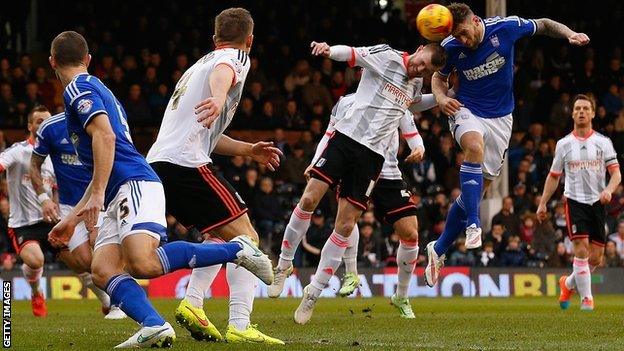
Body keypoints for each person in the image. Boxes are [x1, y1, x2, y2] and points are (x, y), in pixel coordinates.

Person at [47, 30, 273, 348]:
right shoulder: (95, 87)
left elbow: (106, 139)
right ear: (88, 59)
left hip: (134, 183)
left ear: (52, 62)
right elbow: (105, 152)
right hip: (119, 189)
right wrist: (76, 216)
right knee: (102, 270)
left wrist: (96, 194)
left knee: (143, 262)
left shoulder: (77, 89)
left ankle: (237, 250)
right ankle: (154, 325)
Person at [268, 39, 446, 325]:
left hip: (372, 159)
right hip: (346, 140)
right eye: (421, 61)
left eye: (425, 70)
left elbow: (413, 107)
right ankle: (284, 263)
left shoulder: (413, 85)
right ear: (420, 48)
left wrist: (442, 96)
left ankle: (313, 292)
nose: (419, 68)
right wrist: (329, 51)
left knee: (346, 225)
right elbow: (352, 54)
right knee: (309, 199)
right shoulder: (386, 56)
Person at [426, 2, 591, 287]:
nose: (462, 40)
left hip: (501, 119)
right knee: (473, 149)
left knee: (475, 193)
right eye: (458, 36)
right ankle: (475, 225)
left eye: (465, 33)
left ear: (476, 21)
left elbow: (543, 22)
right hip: (467, 110)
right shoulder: (450, 46)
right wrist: (440, 99)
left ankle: (438, 249)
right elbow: (438, 78)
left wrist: (568, 33)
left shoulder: (505, 28)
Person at [145, 8, 284, 344]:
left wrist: (249, 149)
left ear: (214, 37)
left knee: (218, 236)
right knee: (247, 239)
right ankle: (239, 323)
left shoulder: (195, 68)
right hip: (185, 164)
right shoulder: (234, 57)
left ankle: (193, 304)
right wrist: (220, 97)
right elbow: (224, 73)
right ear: (249, 39)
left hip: (161, 163)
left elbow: (209, 134)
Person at [30, 106, 125, 319]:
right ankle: (109, 299)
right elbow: (34, 165)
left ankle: (119, 304)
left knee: (101, 250)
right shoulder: (50, 128)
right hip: (68, 207)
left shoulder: (100, 121)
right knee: (85, 261)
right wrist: (44, 199)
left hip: (100, 198)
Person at [537, 94, 621, 311]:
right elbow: (554, 175)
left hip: (598, 203)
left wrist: (609, 190)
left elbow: (616, 174)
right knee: (581, 250)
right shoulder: (564, 144)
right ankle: (587, 300)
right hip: (574, 201)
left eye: (585, 108)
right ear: (572, 113)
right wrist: (543, 202)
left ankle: (567, 283)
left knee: (596, 258)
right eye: (578, 108)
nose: (582, 112)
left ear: (593, 113)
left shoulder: (603, 142)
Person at [0, 107, 55, 317]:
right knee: (36, 260)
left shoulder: (54, 155)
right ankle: (36, 292)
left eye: (48, 121)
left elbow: (57, 188)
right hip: (23, 224)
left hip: (51, 220)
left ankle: (108, 303)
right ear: (30, 126)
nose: (44, 125)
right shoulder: (18, 151)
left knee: (82, 259)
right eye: (39, 121)